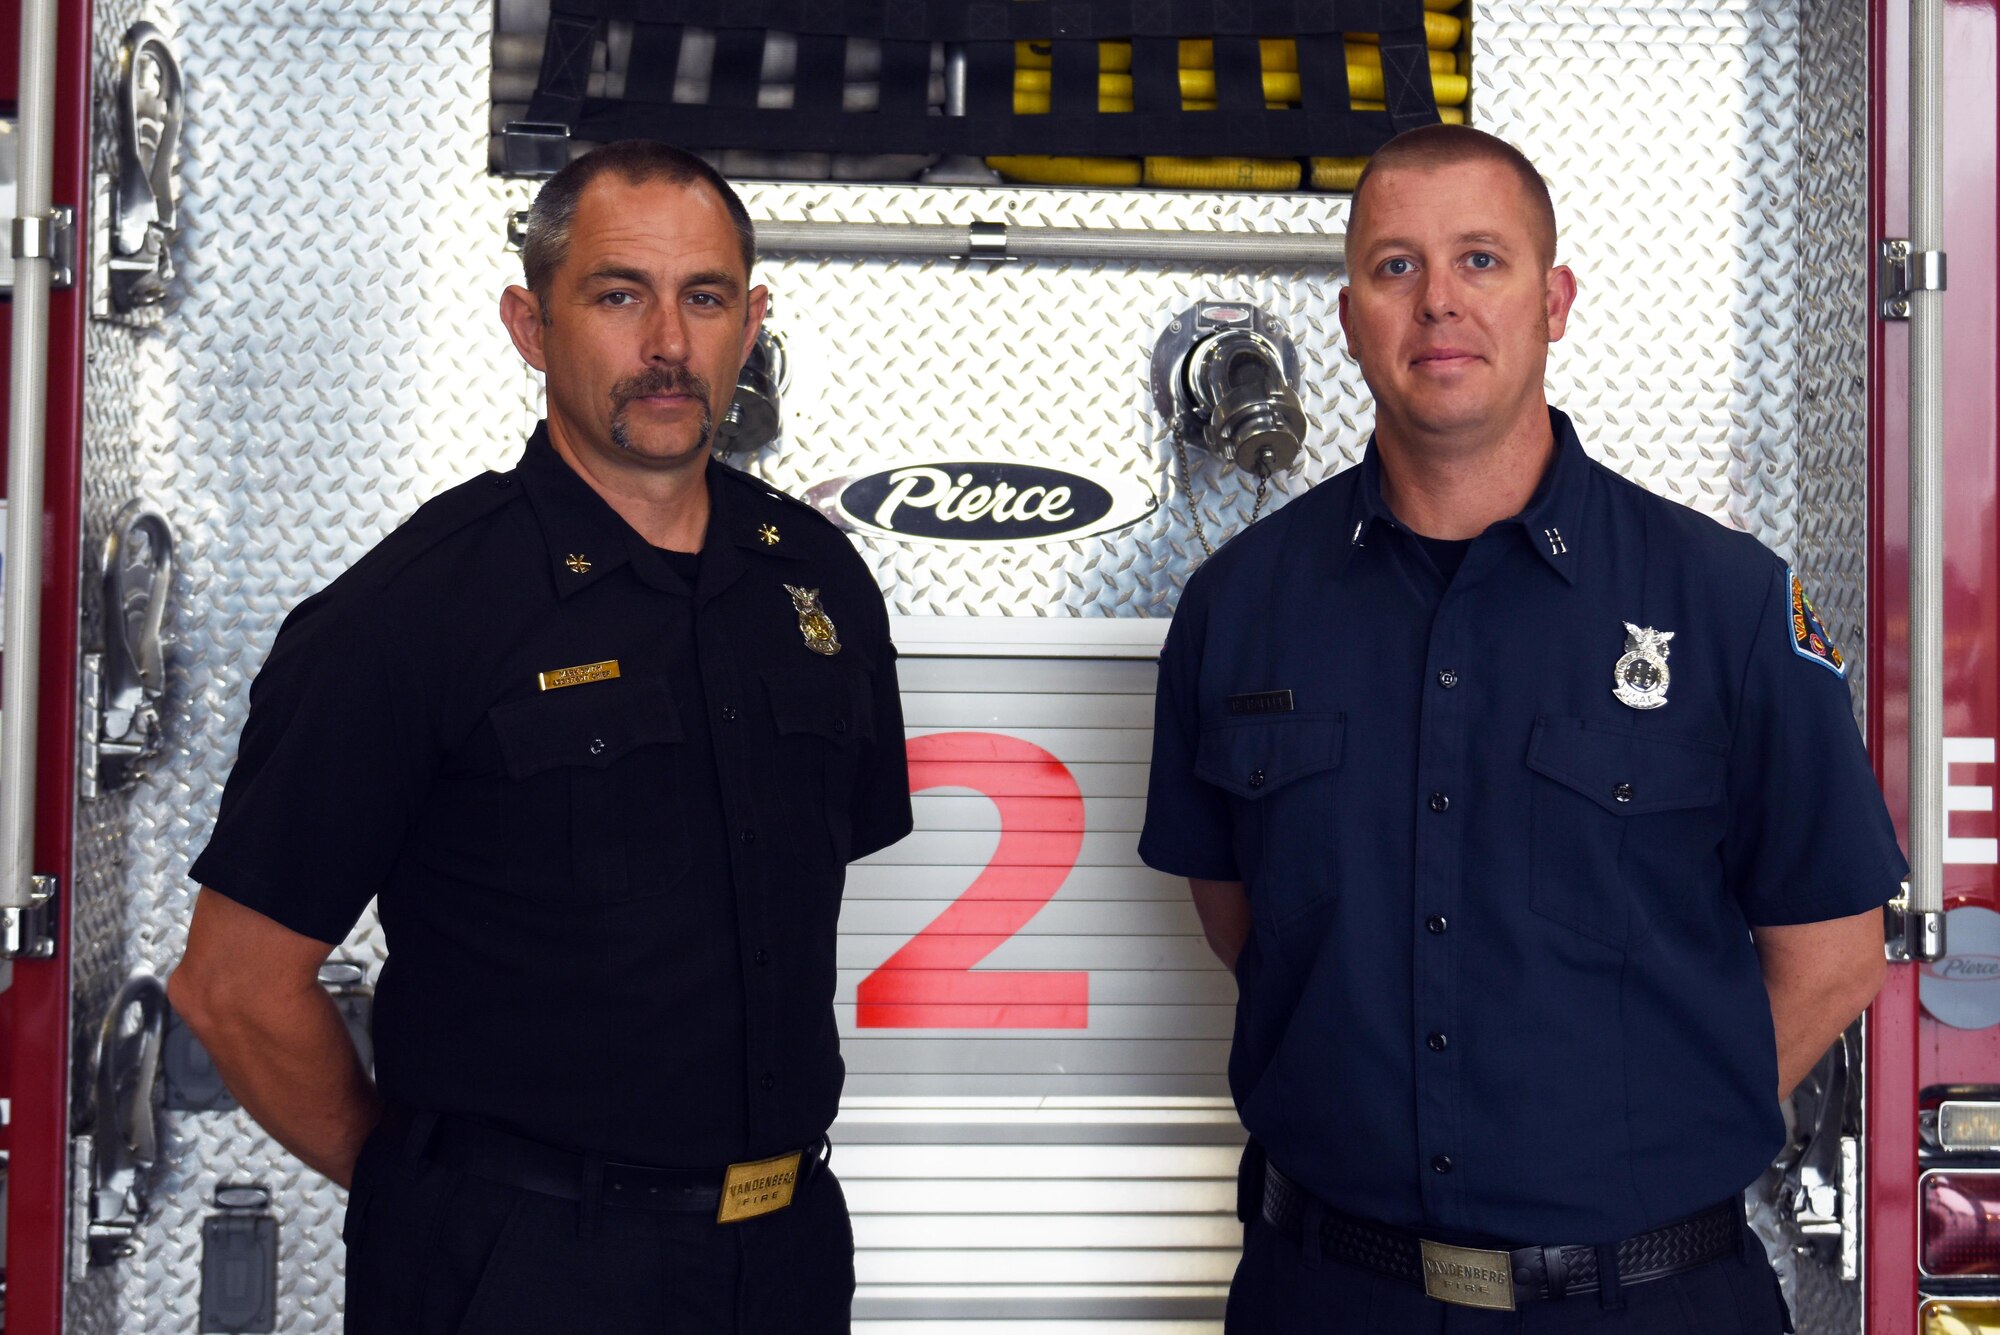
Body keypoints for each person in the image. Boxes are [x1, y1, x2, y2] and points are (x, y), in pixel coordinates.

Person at [1139, 124, 1902, 1333]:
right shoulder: (1241, 606)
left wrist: (1642, 1134)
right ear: (1347, 318)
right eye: (1395, 267)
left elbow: (1834, 945)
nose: (1438, 302)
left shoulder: (1725, 602)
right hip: (1330, 1296)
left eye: (1480, 261)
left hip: (1644, 1301)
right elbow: (1241, 916)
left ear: (1553, 301)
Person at [168, 140, 911, 1333]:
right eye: (620, 295)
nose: (667, 344)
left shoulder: (813, 582)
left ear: (751, 321)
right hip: (513, 1271)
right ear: (531, 324)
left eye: (704, 298)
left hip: (782, 1258)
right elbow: (232, 990)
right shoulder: (412, 610)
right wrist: (433, 1195)